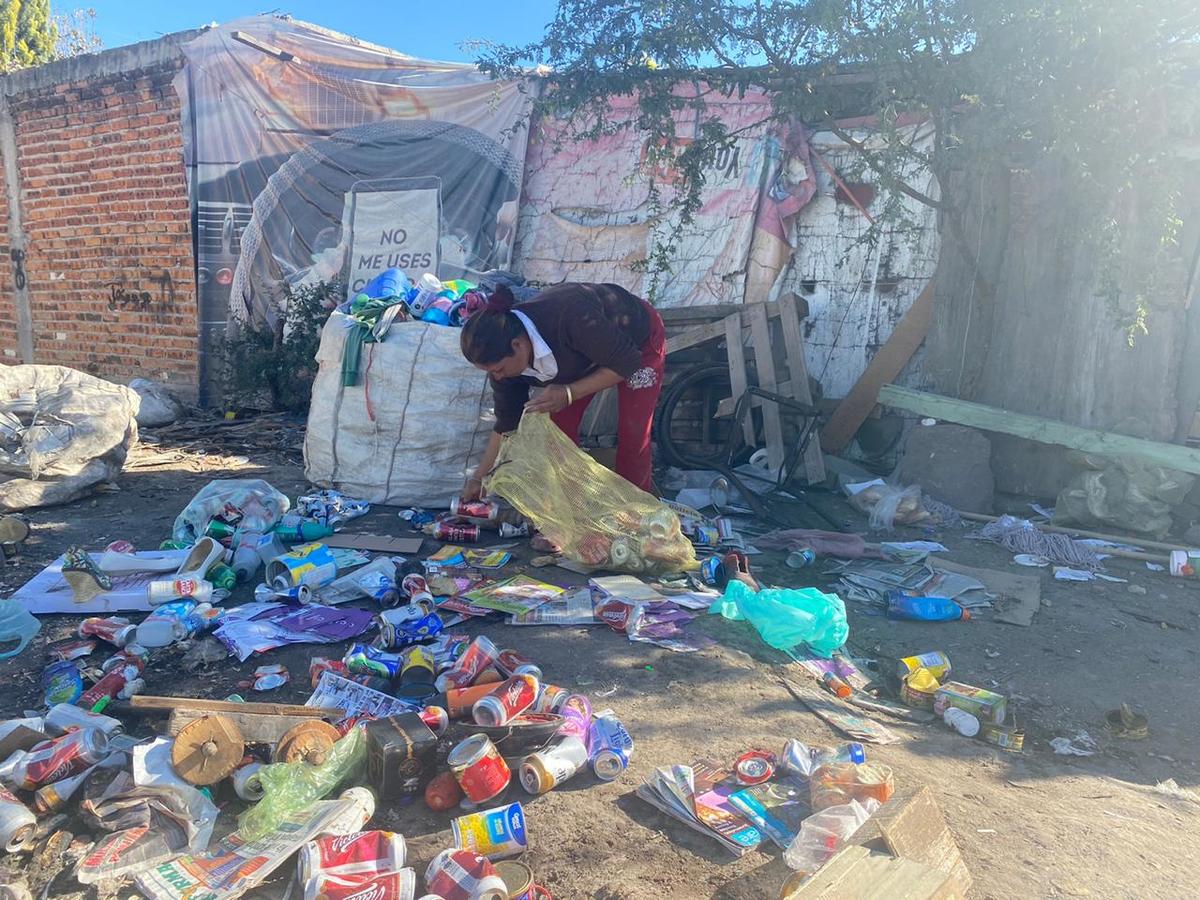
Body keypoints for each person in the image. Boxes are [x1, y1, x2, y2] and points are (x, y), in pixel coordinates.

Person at [459, 281, 665, 498]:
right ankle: (572, 505)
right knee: (558, 434)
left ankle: (636, 509)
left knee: (634, 432)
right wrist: (479, 478)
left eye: (499, 369)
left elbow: (628, 362)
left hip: (637, 343)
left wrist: (569, 392)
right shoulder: (504, 368)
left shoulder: (571, 315)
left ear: (517, 345)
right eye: (491, 372)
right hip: (584, 352)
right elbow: (506, 424)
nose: (497, 377)